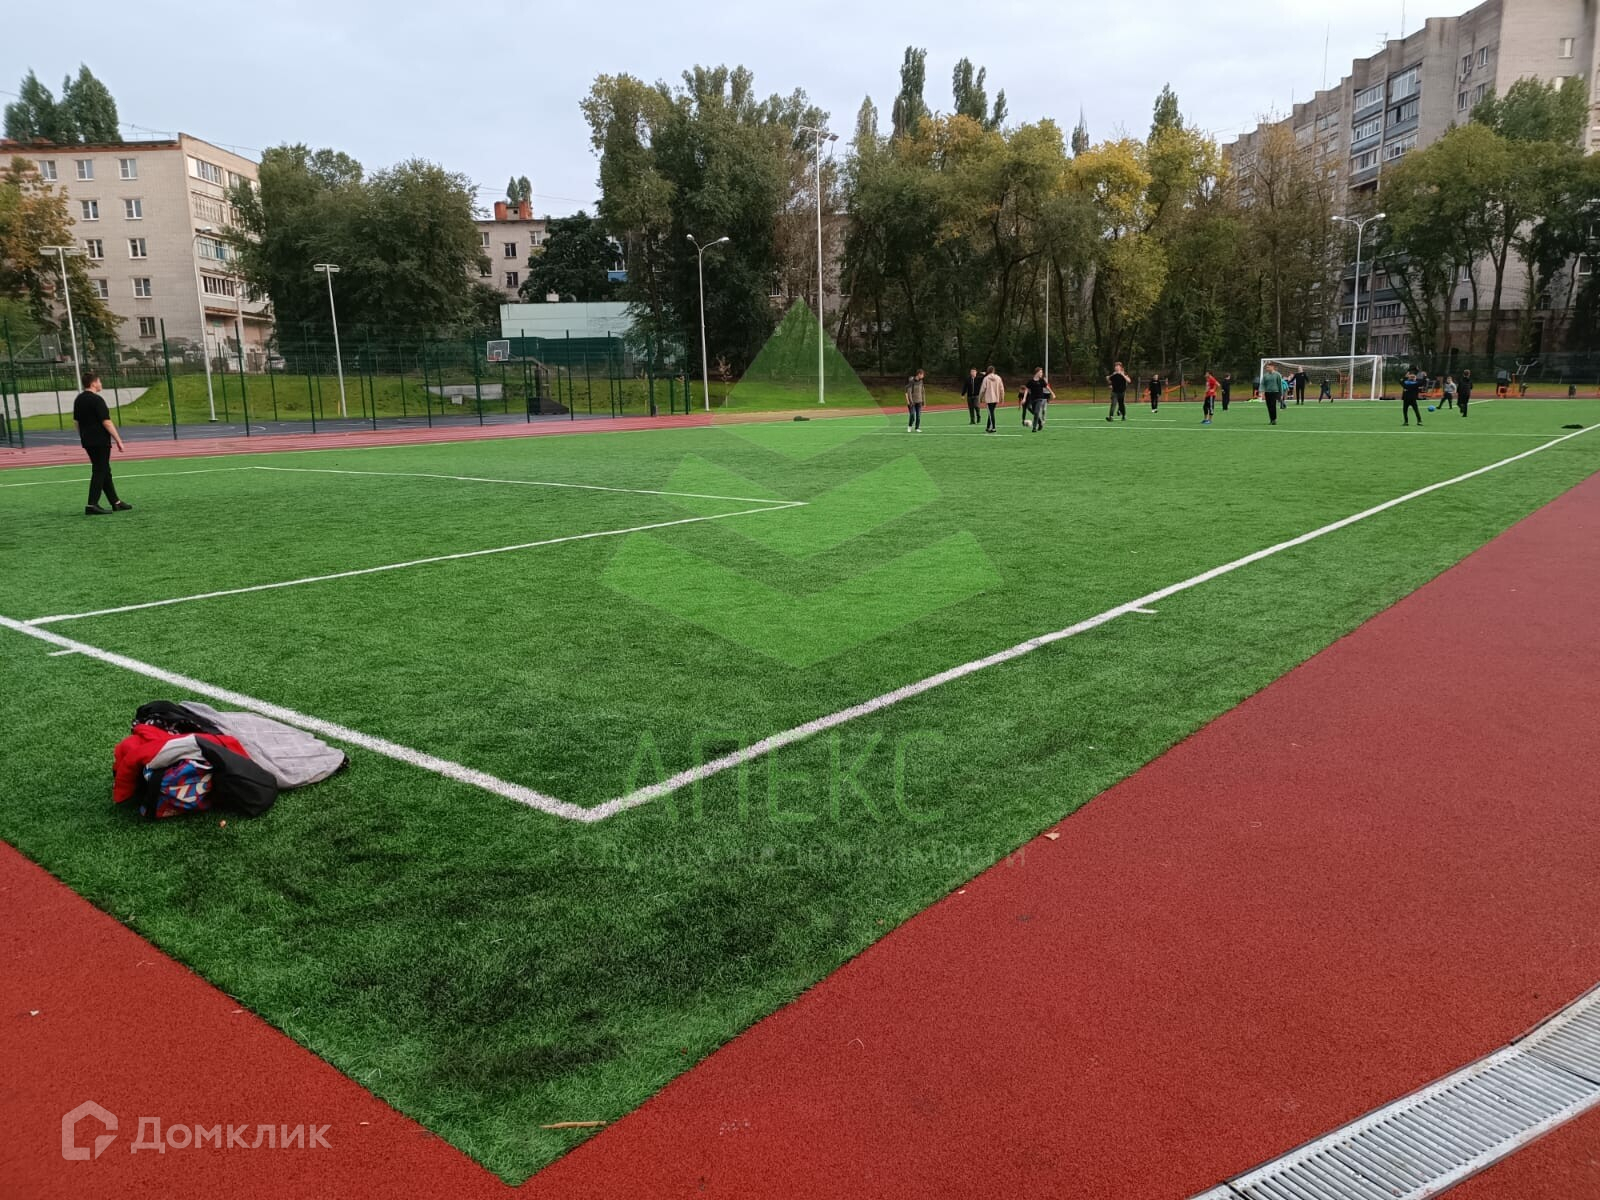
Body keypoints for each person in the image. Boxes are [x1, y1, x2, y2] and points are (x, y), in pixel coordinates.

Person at [72, 373, 131, 516]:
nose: (101, 384)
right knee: (100, 470)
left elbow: (76, 422)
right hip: (100, 440)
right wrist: (118, 440)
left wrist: (83, 436)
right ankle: (92, 504)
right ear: (93, 383)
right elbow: (106, 422)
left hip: (87, 440)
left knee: (104, 469)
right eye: (99, 381)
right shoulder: (97, 400)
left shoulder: (79, 399)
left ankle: (115, 502)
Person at [980, 364, 1005, 433]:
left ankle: (993, 427)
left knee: (991, 413)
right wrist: (1002, 398)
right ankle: (988, 427)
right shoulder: (998, 378)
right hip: (996, 397)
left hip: (989, 398)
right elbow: (1002, 389)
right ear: (994, 371)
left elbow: (983, 389)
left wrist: (981, 398)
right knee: (991, 412)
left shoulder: (986, 378)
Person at [905, 367, 926, 432]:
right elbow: (909, 392)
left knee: (918, 416)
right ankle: (909, 426)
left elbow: (923, 391)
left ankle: (917, 428)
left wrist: (923, 401)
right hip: (912, 402)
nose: (923, 376)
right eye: (922, 374)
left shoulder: (921, 381)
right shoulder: (912, 382)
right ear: (919, 374)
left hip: (919, 401)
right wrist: (911, 401)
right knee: (912, 415)